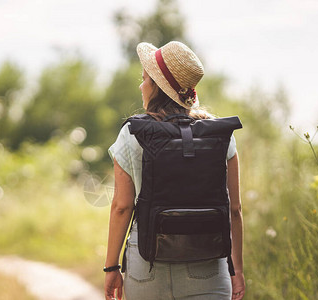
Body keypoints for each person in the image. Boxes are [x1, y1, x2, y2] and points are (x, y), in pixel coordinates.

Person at [104, 41, 245, 300]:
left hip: (147, 265)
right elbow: (234, 209)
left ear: (157, 87)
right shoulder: (220, 134)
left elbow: (122, 207)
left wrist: (112, 267)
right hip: (209, 264)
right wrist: (236, 268)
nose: (141, 85)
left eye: (145, 79)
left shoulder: (133, 133)